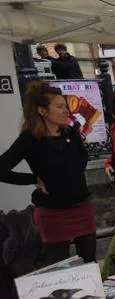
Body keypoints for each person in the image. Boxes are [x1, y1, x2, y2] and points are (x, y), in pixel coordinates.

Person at [0, 80, 95, 264]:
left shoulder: (71, 133)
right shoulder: (30, 139)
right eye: (60, 107)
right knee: (58, 265)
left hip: (81, 206)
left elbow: (82, 159)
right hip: (53, 213)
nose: (66, 111)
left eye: (66, 106)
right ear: (42, 111)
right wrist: (33, 178)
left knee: (89, 262)